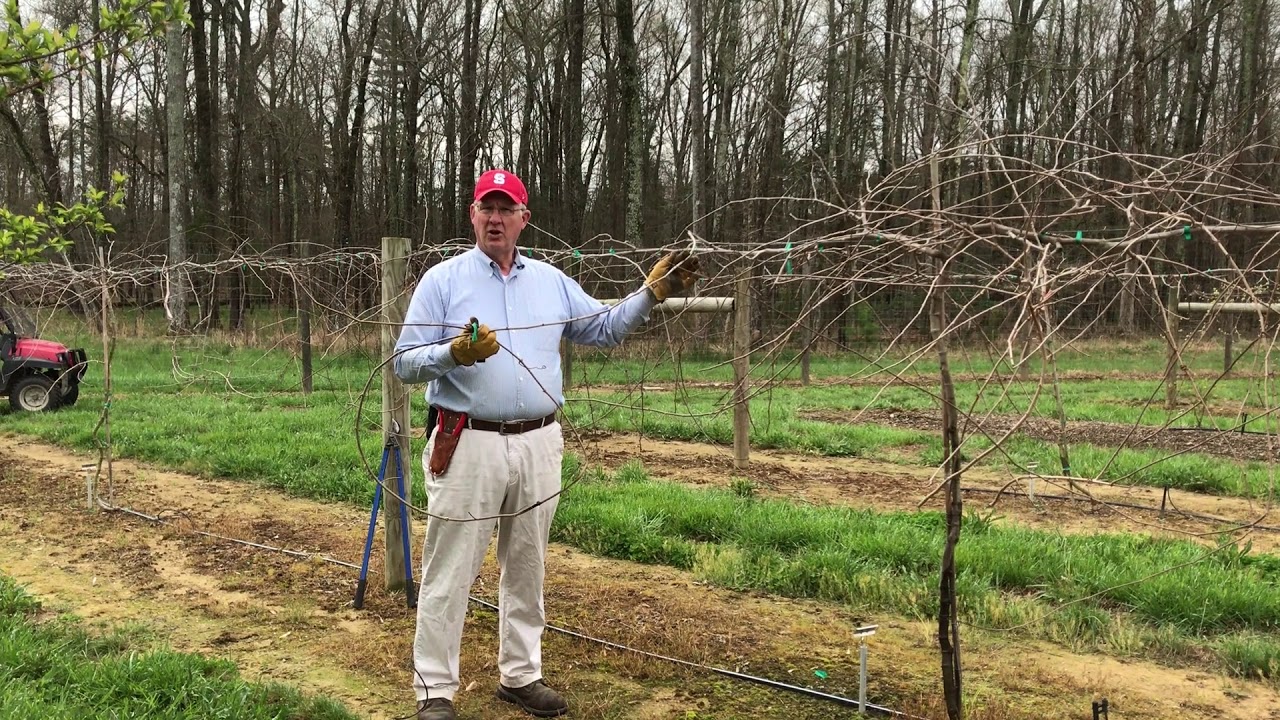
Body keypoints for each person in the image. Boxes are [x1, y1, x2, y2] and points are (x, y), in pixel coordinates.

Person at [393, 168, 698, 720]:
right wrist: (453, 354)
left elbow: (602, 328)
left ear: (523, 219)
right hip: (468, 441)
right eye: (487, 207)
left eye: (506, 209)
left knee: (527, 564)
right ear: (472, 215)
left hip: (538, 441)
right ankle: (434, 689)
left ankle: (520, 674)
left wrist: (650, 295)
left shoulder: (551, 282)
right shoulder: (443, 281)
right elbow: (404, 363)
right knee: (451, 567)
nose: (495, 218)